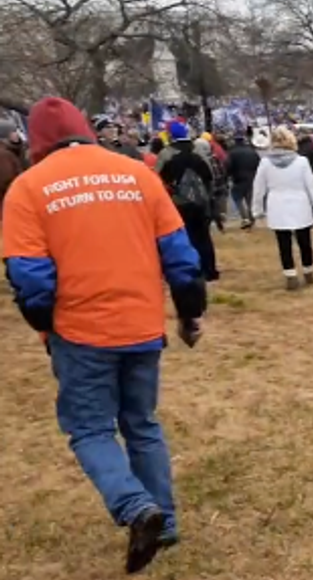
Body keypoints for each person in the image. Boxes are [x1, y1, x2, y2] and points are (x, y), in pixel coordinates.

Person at [2, 97, 206, 574]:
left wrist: (44, 326)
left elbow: (29, 278)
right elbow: (180, 255)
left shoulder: (28, 189)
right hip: (141, 324)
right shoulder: (137, 174)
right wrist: (190, 313)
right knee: (142, 422)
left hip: (80, 331)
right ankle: (165, 520)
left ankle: (137, 508)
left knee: (90, 428)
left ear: (36, 142)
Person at [253, 127, 313, 290]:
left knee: (284, 243)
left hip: (277, 205)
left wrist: (257, 210)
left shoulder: (265, 163)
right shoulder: (301, 162)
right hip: (299, 203)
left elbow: (258, 188)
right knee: (304, 241)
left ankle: (290, 276)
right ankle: (308, 272)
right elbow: (312, 188)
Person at [159, 121, 219, 281]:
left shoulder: (166, 153)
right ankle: (210, 269)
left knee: (186, 237)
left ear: (170, 135)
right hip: (201, 200)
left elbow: (157, 178)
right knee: (204, 236)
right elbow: (210, 174)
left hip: (179, 201)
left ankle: (193, 269)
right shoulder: (198, 150)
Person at [225, 133, 260, 230]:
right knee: (250, 199)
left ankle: (245, 218)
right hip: (252, 178)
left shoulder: (231, 152)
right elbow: (258, 164)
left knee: (237, 198)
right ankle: (251, 217)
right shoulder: (252, 151)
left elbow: (228, 166)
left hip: (238, 179)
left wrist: (227, 176)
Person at [0, 120, 26, 210]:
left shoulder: (15, 150)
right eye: (13, 132)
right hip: (12, 202)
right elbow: (7, 181)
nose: (16, 134)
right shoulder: (3, 156)